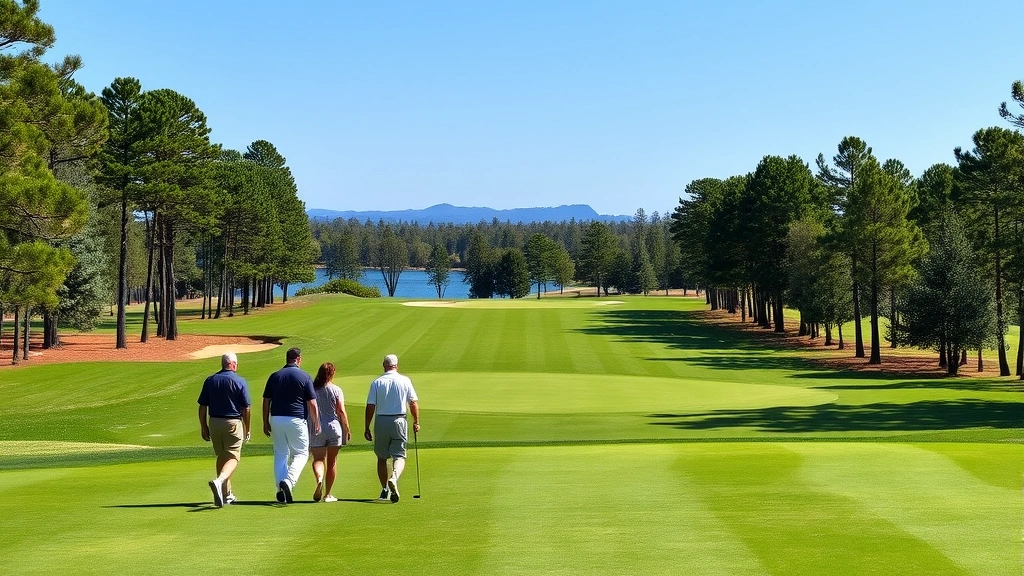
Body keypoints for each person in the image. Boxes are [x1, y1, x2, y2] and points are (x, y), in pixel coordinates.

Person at [263, 347, 320, 504]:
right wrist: (316, 421)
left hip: (276, 419)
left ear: (287, 358)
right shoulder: (304, 376)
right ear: (299, 359)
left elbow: (266, 400)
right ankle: (289, 481)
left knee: (281, 454)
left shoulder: (275, 376)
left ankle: (281, 489)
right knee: (301, 453)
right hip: (296, 419)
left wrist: (265, 421)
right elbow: (312, 403)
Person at [198, 352, 251, 508]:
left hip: (214, 422)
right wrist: (247, 428)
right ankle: (219, 481)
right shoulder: (239, 381)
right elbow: (246, 408)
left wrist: (203, 426)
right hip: (232, 423)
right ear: (233, 364)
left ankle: (226, 494)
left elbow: (202, 406)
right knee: (234, 457)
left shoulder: (210, 380)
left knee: (222, 456)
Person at [364, 354, 419, 503]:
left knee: (382, 457)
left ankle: (384, 490)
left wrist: (367, 427)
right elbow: (413, 403)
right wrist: (416, 421)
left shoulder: (377, 382)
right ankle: (394, 477)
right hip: (399, 420)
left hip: (381, 420)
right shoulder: (405, 380)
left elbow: (370, 406)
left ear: (384, 365)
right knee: (399, 455)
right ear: (397, 365)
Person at [307, 362, 351, 503]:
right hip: (334, 428)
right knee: (332, 462)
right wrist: (347, 429)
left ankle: (319, 478)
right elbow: (341, 411)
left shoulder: (312, 389)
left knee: (318, 459)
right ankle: (328, 494)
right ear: (332, 374)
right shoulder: (336, 390)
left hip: (317, 428)